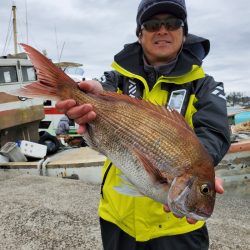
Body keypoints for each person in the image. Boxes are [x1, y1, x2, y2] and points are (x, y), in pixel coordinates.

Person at [56, 0, 231, 249]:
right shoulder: (116, 77)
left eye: (173, 23)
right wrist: (85, 99)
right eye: (152, 24)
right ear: (140, 34)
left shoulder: (206, 86)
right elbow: (100, 90)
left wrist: (199, 168)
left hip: (176, 229)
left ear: (184, 32)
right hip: (117, 217)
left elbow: (213, 131)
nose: (162, 30)